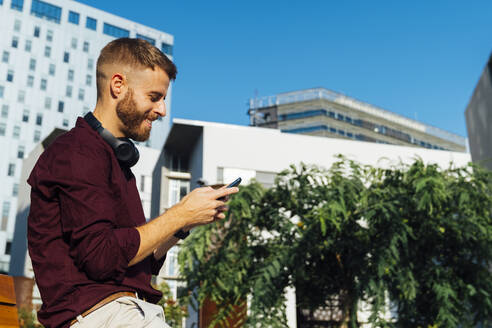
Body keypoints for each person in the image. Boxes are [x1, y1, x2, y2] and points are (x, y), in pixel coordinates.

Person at [27, 38, 238, 328]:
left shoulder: (112, 159)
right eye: (154, 96)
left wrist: (184, 223)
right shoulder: (77, 152)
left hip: (126, 312)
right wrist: (180, 213)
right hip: (99, 316)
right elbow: (102, 257)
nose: (162, 110)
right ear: (118, 86)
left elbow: (140, 259)